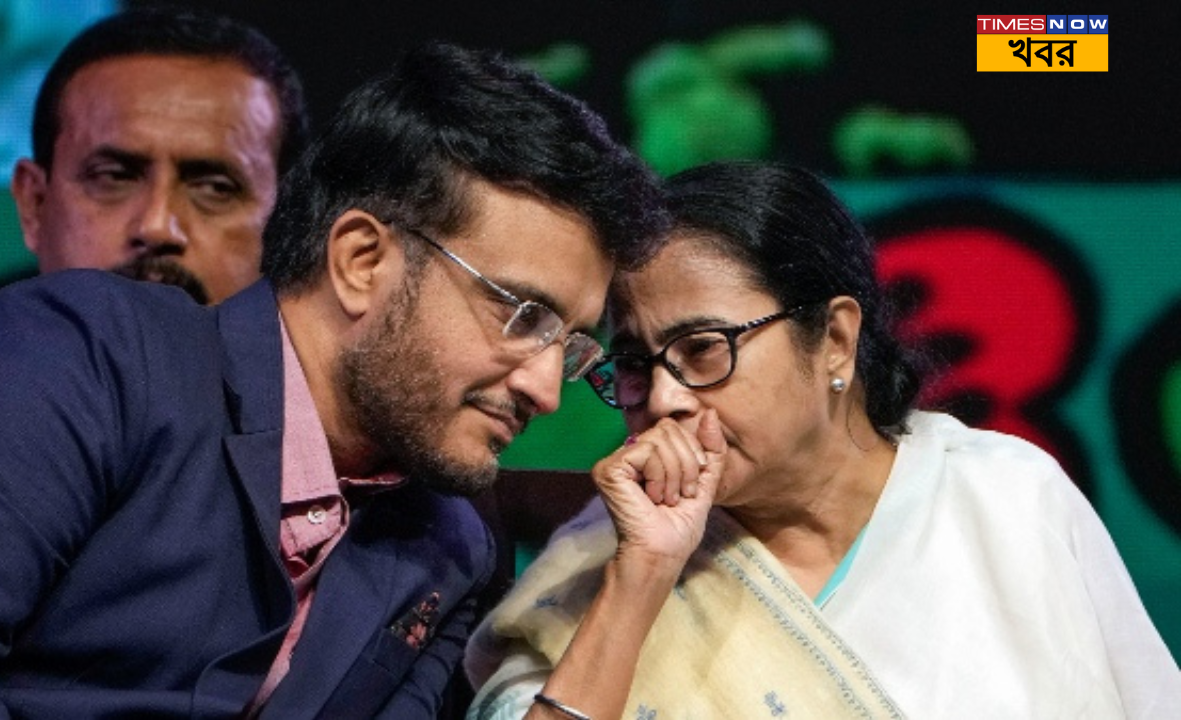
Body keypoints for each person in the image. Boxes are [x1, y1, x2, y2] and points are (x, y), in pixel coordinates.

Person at [0, 41, 665, 718]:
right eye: (522, 313)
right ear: (362, 261)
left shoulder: (448, 545)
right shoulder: (87, 352)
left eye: (567, 346)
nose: (544, 387)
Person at [464, 161, 1180, 719]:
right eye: (631, 364)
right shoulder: (597, 572)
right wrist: (641, 575)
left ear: (835, 339)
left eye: (704, 348)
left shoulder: (1005, 498)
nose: (663, 398)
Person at [10, 6, 310, 304]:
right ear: (34, 207)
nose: (156, 227)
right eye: (113, 177)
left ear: (291, 226)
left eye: (215, 188)